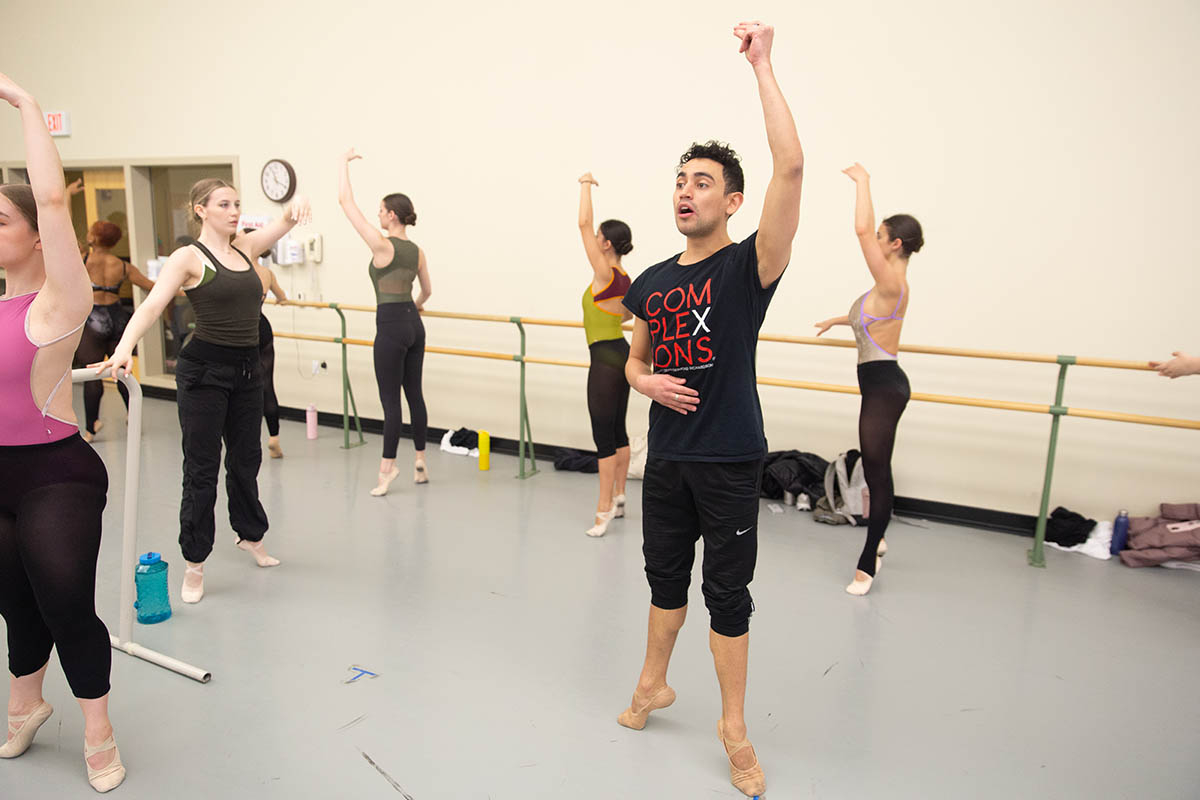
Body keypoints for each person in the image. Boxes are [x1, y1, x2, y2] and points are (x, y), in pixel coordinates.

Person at [616, 21, 803, 798]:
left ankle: (732, 725)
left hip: (728, 456)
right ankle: (654, 683)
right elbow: (634, 358)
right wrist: (643, 381)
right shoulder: (652, 281)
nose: (685, 190)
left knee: (726, 593)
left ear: (730, 200)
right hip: (669, 460)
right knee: (664, 578)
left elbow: (790, 166)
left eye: (702, 182)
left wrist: (762, 66)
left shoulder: (746, 268)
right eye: (680, 179)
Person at [94, 180, 310, 604]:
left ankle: (250, 535)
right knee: (202, 469)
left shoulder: (246, 248)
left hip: (248, 369)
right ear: (201, 210)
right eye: (224, 205)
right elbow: (153, 305)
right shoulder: (189, 258)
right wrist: (122, 350)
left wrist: (295, 205)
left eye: (237, 204)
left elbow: (284, 222)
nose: (234, 212)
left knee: (246, 459)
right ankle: (194, 563)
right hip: (204, 372)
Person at [0, 72, 125, 792]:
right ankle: (25, 703)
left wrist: (21, 104)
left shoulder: (59, 300)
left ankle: (99, 730)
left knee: (65, 603)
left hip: (56, 475)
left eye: (3, 221)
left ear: (38, 238)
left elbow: (50, 198)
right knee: (14, 600)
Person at [814, 164, 923, 596]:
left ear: (895, 243)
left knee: (877, 473)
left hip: (885, 387)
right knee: (877, 469)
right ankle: (876, 540)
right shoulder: (885, 286)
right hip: (878, 383)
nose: (874, 240)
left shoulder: (892, 280)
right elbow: (867, 318)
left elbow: (861, 229)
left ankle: (867, 564)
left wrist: (862, 183)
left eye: (881, 237)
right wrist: (837, 320)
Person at [337, 148, 432, 496]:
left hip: (390, 327)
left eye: (380, 210)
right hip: (413, 323)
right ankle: (420, 461)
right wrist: (415, 308)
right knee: (415, 396)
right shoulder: (417, 250)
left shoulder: (382, 246)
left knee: (390, 401)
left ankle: (386, 471)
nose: (376, 215)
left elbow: (346, 203)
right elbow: (428, 291)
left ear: (392, 216)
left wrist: (342, 164)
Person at [576, 172, 633, 536]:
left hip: (604, 359)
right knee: (618, 431)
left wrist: (585, 185)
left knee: (603, 437)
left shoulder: (604, 272)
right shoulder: (626, 279)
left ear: (608, 243)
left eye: (599, 239)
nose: (594, 241)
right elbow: (629, 315)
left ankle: (603, 509)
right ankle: (621, 495)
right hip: (621, 353)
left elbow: (583, 222)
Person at [74, 220, 156, 442]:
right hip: (119, 319)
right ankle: (133, 414)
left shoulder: (82, 260)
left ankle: (91, 428)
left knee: (93, 374)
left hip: (93, 320)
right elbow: (153, 287)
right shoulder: (122, 266)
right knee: (121, 372)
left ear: (93, 238)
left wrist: (68, 196)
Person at [243, 228, 289, 458]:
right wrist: (280, 300)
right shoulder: (266, 273)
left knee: (241, 387)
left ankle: (244, 438)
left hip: (240, 331)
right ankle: (274, 438)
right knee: (266, 385)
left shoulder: (237, 270)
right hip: (261, 327)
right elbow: (282, 297)